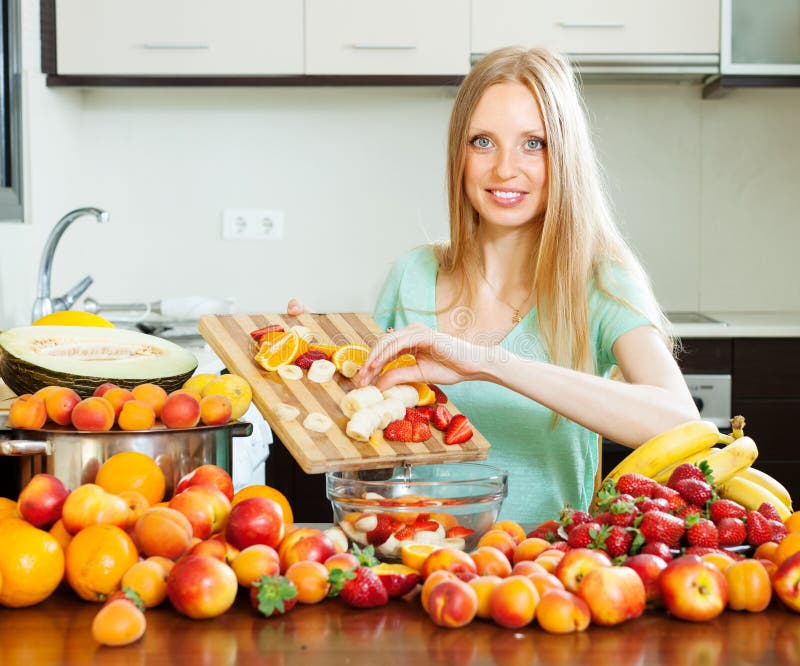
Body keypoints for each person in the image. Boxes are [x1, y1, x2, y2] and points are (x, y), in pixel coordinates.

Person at [290, 46, 699, 525]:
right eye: (483, 142)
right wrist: (308, 369)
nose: (505, 169)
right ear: (458, 155)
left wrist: (487, 363)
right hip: (417, 571)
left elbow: (679, 420)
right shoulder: (411, 275)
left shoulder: (600, 283)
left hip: (542, 578)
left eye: (534, 143)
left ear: (564, 156)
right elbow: (360, 438)